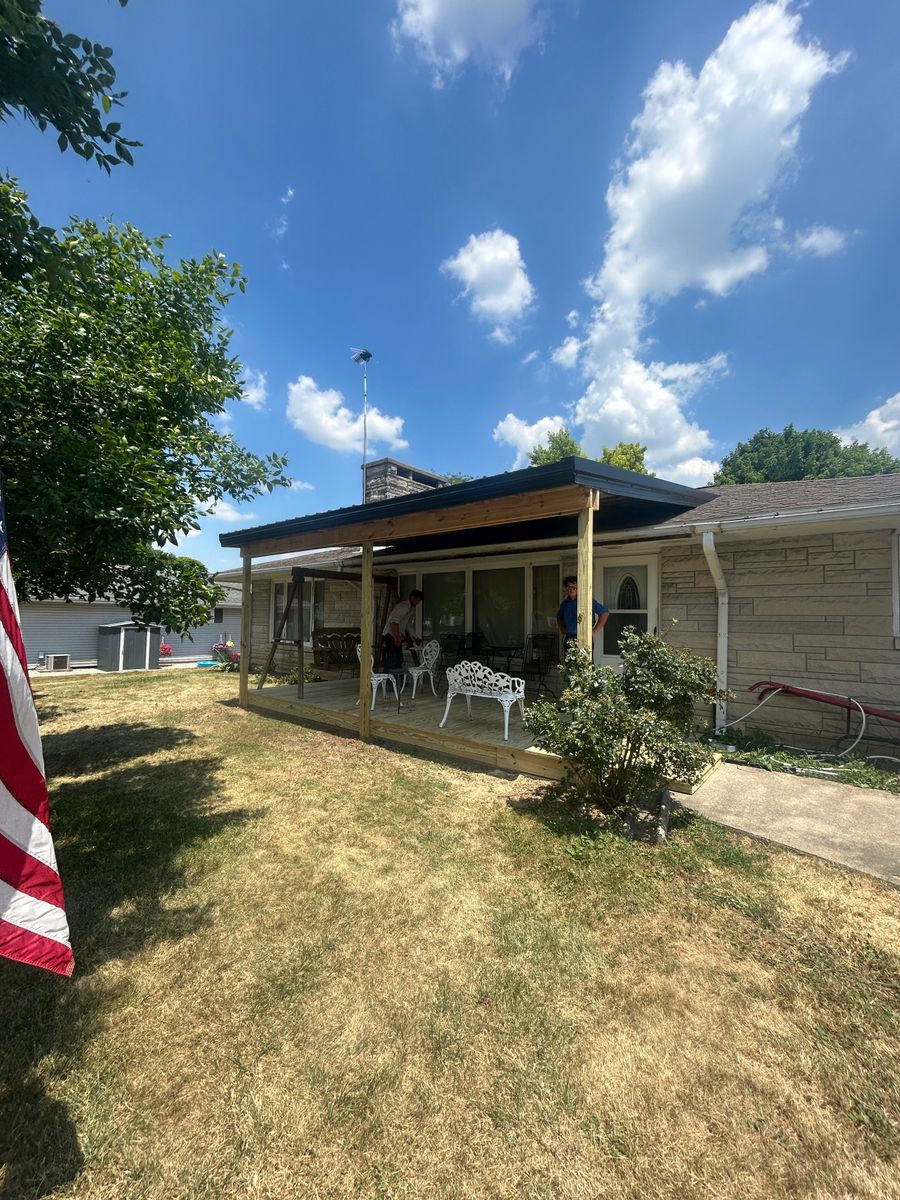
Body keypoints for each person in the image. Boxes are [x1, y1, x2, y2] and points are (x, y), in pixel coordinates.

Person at [556, 576, 608, 655]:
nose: (572, 589)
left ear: (579, 588)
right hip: (569, 637)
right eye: (569, 587)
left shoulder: (587, 601)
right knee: (570, 665)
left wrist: (594, 631)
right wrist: (562, 629)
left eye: (574, 587)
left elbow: (604, 613)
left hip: (584, 638)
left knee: (586, 665)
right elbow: (559, 617)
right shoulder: (564, 603)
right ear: (566, 588)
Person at [382, 589, 423, 675]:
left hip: (396, 635)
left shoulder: (410, 608)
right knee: (392, 658)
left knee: (399, 658)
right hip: (390, 634)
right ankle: (387, 680)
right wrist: (397, 637)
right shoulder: (404, 607)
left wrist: (415, 637)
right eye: (417, 600)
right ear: (412, 597)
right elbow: (394, 622)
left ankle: (397, 680)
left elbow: (407, 624)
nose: (418, 603)